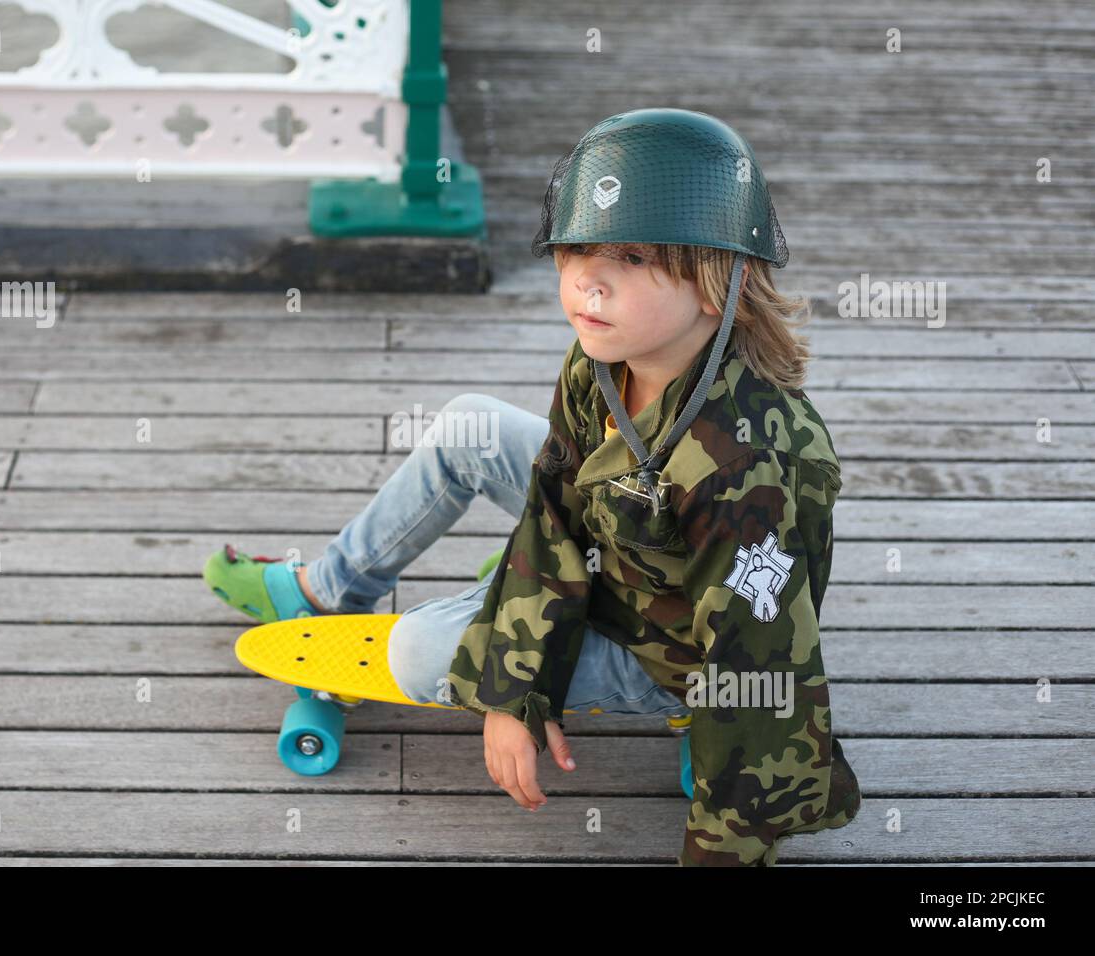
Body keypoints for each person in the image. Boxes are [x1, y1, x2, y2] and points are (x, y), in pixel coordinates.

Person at [205, 107, 862, 866]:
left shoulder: (744, 472)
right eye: (574, 250)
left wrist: (723, 848)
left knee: (420, 650)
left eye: (630, 256)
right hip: (620, 547)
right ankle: (327, 588)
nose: (588, 279)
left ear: (715, 281)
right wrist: (514, 687)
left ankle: (640, 695)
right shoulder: (603, 362)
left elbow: (756, 679)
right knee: (467, 427)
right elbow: (555, 514)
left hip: (675, 643)